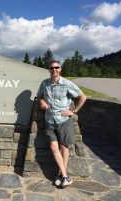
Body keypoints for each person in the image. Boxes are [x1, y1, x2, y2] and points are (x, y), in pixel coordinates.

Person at [37, 60, 86, 188]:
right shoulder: (44, 83)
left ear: (60, 69)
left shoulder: (67, 84)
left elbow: (82, 97)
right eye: (51, 68)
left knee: (64, 147)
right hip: (49, 120)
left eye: (56, 67)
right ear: (49, 70)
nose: (54, 69)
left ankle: (61, 175)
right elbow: (40, 96)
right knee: (54, 147)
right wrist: (42, 102)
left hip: (63, 120)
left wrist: (73, 111)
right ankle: (65, 176)